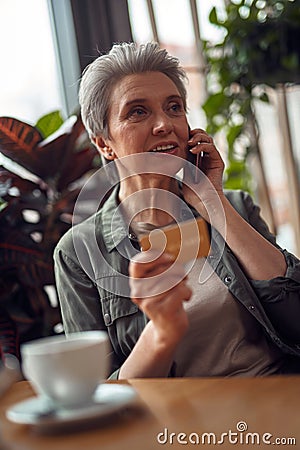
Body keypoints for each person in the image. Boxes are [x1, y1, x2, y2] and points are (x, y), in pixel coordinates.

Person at [54, 42, 300, 379]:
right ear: (103, 143)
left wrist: (212, 202)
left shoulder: (236, 207)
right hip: (173, 426)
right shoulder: (76, 253)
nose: (164, 124)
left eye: (174, 107)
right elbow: (95, 390)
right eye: (138, 111)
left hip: (276, 399)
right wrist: (161, 333)